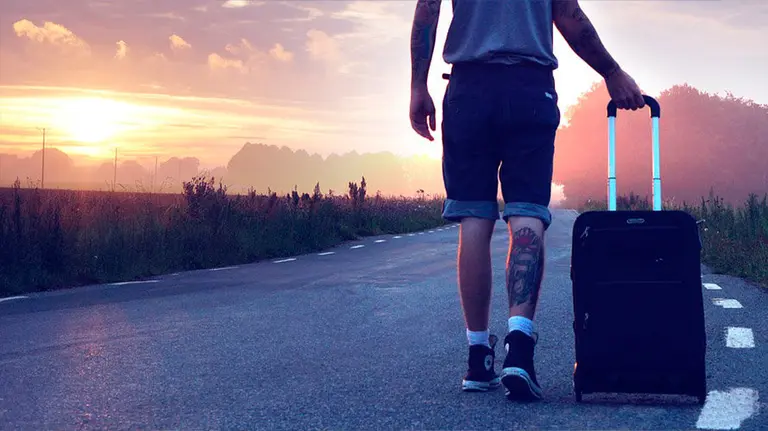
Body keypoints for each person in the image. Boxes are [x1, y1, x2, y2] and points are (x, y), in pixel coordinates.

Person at [408, 0, 645, 401]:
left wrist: (418, 86)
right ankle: (519, 349)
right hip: (529, 89)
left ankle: (478, 357)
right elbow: (570, 18)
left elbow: (427, 12)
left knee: (474, 218)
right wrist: (612, 72)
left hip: (468, 89)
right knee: (527, 213)